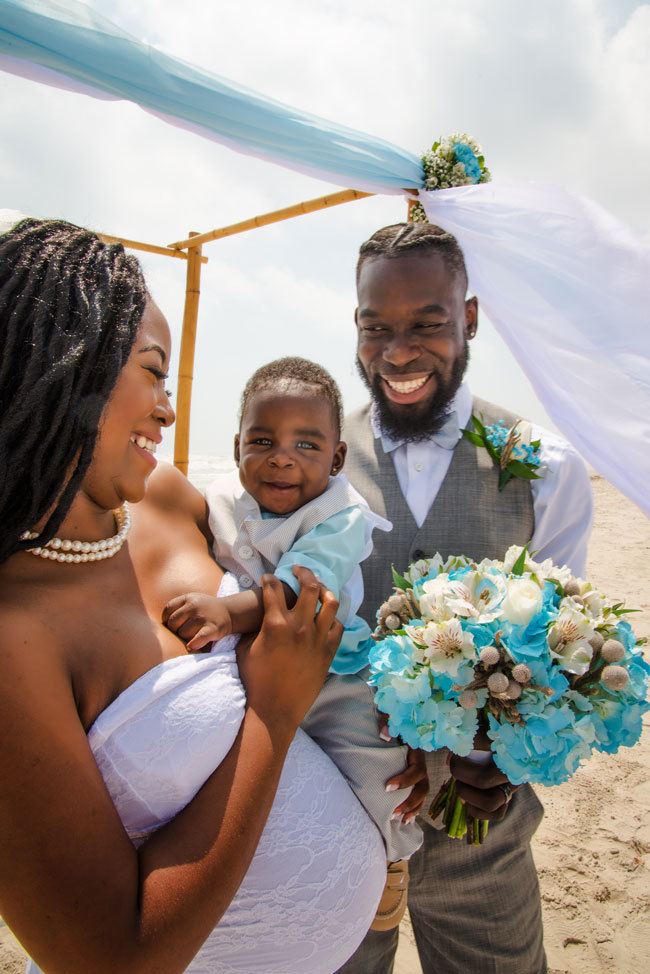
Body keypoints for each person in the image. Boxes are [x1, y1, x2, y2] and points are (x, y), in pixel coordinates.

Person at [0, 217, 389, 974]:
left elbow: (284, 603)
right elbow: (108, 958)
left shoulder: (164, 500)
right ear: (66, 369)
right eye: (152, 373)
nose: (170, 411)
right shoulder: (14, 636)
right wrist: (274, 716)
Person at [338, 222, 593, 974]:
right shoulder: (312, 459)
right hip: (341, 823)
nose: (398, 351)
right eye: (374, 326)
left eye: (428, 323)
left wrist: (506, 762)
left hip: (485, 834)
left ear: (470, 319)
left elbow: (565, 655)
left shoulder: (547, 469)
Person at [163, 357, 426, 915]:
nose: (281, 457)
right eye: (262, 440)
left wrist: (225, 612)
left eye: (307, 446)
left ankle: (392, 856)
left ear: (337, 459)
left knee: (372, 759)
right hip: (250, 663)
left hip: (332, 664)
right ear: (237, 447)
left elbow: (299, 588)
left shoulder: (340, 517)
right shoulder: (219, 501)